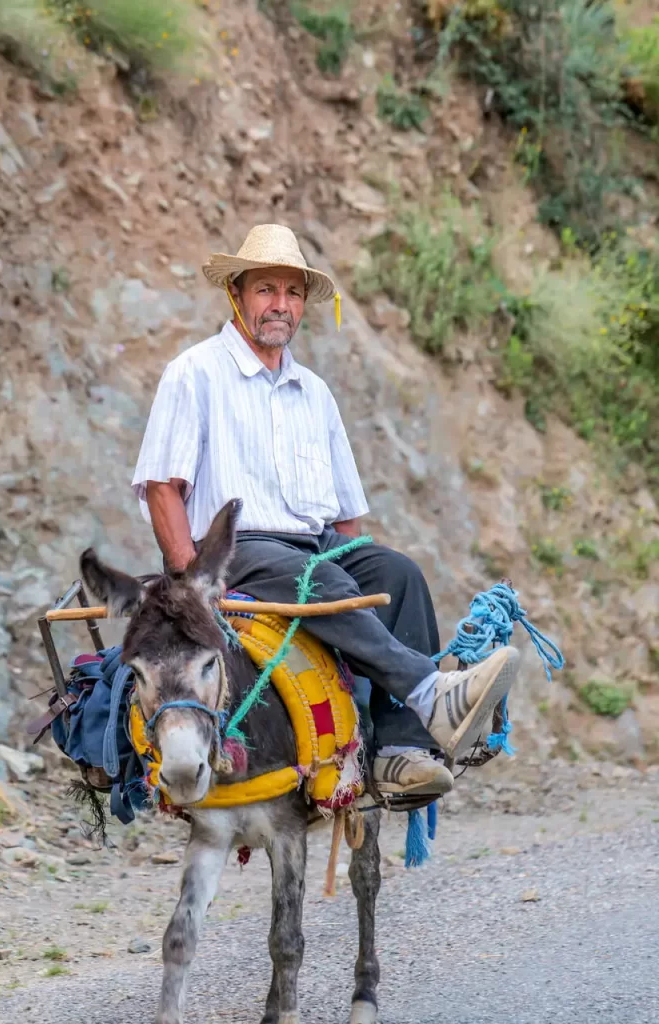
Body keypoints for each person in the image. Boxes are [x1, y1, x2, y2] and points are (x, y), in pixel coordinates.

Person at [129, 223, 520, 797]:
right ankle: (430, 691)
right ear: (236, 294)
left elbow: (346, 519)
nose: (280, 305)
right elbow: (163, 487)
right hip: (233, 551)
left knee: (397, 573)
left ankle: (400, 750)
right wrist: (192, 583)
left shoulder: (314, 392)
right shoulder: (196, 372)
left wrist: (351, 557)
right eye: (266, 290)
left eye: (291, 293)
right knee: (326, 577)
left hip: (309, 548)